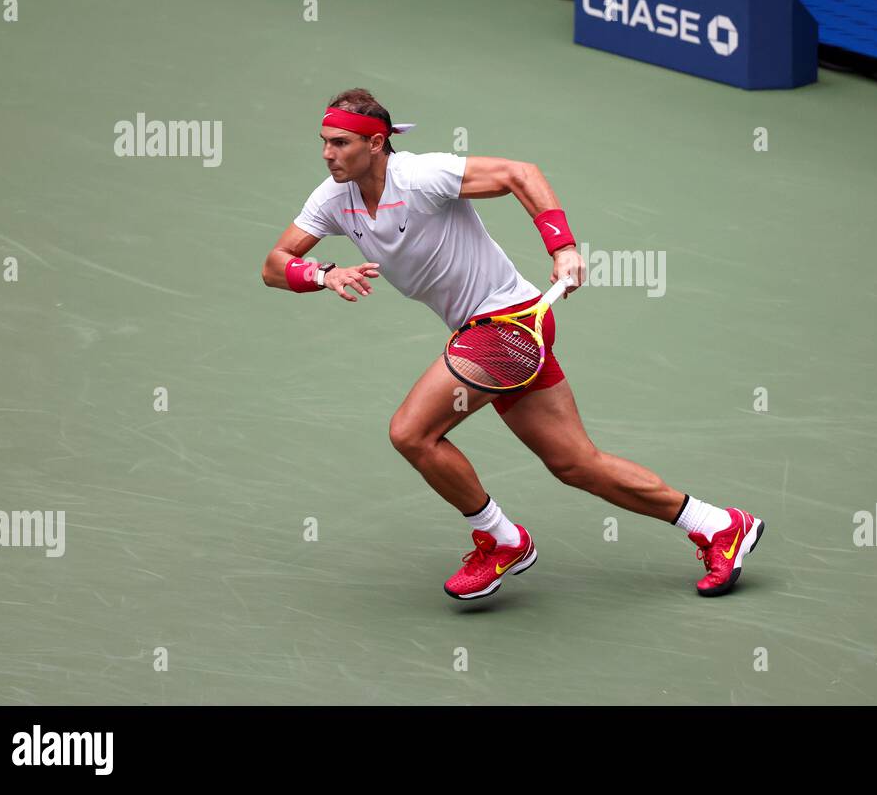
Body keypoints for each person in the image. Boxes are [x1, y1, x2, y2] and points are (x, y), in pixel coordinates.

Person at [261, 88, 764, 599]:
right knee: (575, 463)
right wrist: (324, 273)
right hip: (486, 332)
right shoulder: (332, 198)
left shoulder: (419, 176)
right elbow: (275, 263)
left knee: (412, 432)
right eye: (324, 142)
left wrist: (563, 247)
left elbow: (520, 173)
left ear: (376, 144)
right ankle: (719, 525)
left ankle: (503, 540)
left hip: (508, 322)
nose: (327, 154)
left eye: (340, 143)